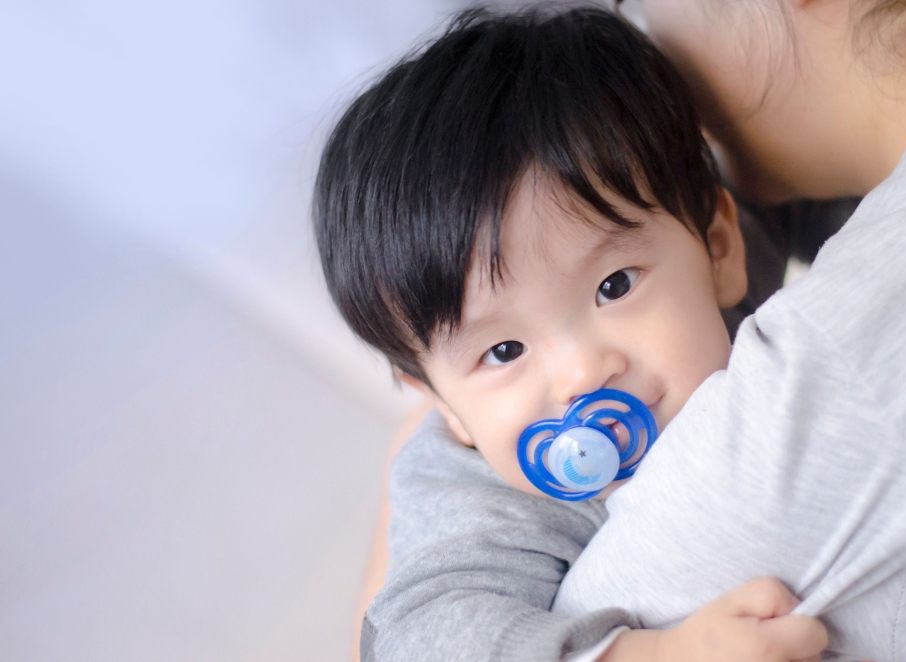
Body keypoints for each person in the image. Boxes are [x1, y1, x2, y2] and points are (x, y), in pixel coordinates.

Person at [315, 7, 833, 661]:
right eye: (503, 351)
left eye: (614, 286)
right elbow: (419, 641)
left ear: (718, 248)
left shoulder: (721, 244)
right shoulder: (480, 498)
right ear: (446, 407)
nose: (582, 373)